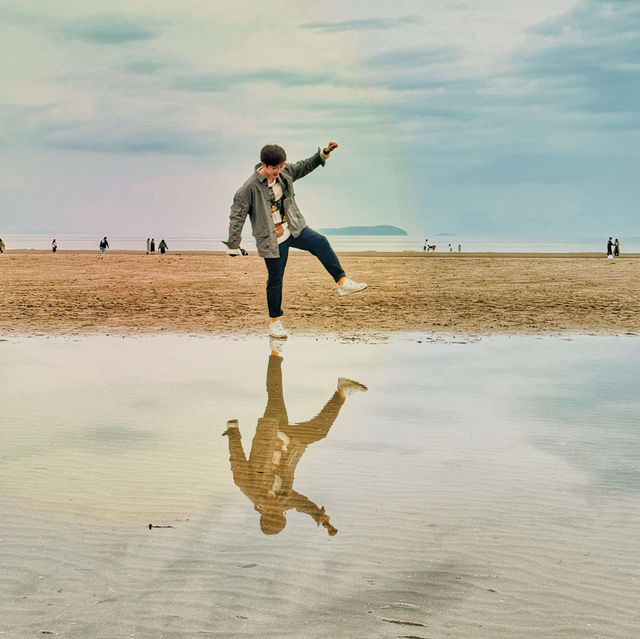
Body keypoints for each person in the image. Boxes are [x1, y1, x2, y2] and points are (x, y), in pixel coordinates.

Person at [224, 141, 367, 339]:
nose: (278, 171)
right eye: (274, 168)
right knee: (275, 280)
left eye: (281, 166)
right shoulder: (248, 189)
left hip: (294, 228)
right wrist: (233, 244)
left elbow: (304, 166)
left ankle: (342, 282)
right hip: (272, 239)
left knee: (321, 242)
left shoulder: (285, 173)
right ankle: (275, 323)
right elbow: (237, 216)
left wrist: (324, 153)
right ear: (264, 165)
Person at [222, 345, 367, 535]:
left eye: (274, 512)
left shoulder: (247, 486)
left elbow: (237, 460)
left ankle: (275, 353)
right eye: (281, 513)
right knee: (320, 430)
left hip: (271, 432)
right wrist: (323, 521)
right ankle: (341, 390)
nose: (279, 509)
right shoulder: (284, 501)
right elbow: (304, 505)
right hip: (290, 443)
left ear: (263, 513)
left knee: (275, 394)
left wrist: (233, 432)